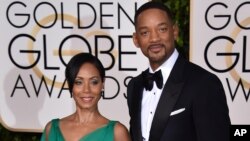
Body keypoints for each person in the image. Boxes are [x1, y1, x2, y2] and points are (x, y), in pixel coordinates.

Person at [127, 1, 231, 141]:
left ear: (175, 31)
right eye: (145, 32)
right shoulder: (135, 86)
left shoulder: (204, 83)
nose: (154, 38)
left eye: (162, 29)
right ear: (136, 40)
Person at [41, 53, 130, 141]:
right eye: (79, 82)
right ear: (70, 85)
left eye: (94, 82)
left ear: (102, 84)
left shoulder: (117, 133)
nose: (86, 90)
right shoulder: (52, 129)